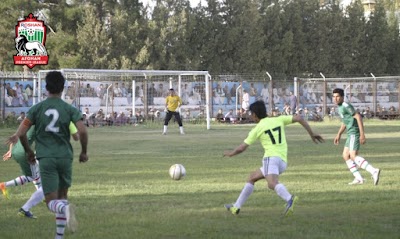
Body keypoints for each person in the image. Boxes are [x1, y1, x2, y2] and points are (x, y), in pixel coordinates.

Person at [6, 71, 88, 238]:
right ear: (63, 88)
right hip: (65, 157)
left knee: (51, 201)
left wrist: (29, 151)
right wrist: (84, 152)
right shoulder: (68, 108)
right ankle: (59, 236)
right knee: (63, 196)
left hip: (46, 159)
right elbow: (82, 131)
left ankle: (64, 209)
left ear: (46, 87)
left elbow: (22, 133)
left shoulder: (37, 108)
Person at [223, 100, 324, 216]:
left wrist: (231, 153)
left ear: (255, 114)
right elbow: (299, 118)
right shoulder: (278, 119)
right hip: (282, 161)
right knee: (252, 177)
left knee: (271, 183)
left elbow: (242, 148)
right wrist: (312, 134)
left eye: (251, 114)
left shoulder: (257, 128)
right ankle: (236, 207)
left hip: (270, 159)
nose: (250, 116)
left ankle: (289, 198)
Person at [1, 123, 79, 219]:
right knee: (41, 179)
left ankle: (29, 199)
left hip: (18, 150)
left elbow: (16, 135)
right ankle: (29, 206)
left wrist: (11, 150)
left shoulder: (32, 120)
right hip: (26, 152)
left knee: (32, 175)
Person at [332, 88, 380, 185]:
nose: (335, 99)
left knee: (353, 156)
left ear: (342, 97)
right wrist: (339, 134)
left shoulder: (345, 105)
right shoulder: (340, 107)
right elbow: (345, 122)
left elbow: (358, 117)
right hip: (350, 133)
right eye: (334, 97)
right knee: (346, 156)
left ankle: (373, 171)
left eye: (337, 97)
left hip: (354, 133)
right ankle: (359, 178)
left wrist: (362, 134)